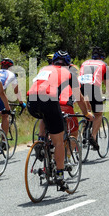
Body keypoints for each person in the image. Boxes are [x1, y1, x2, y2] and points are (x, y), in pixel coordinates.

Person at [27, 50, 94, 191]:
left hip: (32, 101)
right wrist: (86, 113)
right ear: (68, 64)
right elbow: (79, 97)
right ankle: (59, 175)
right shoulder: (69, 73)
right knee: (58, 142)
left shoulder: (44, 69)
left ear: (53, 62)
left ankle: (41, 140)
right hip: (50, 100)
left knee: (44, 116)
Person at [78, 46, 109, 150]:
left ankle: (84, 133)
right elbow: (108, 85)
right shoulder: (103, 64)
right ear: (102, 57)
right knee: (98, 114)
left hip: (80, 87)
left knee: (87, 111)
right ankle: (93, 136)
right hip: (93, 87)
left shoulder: (84, 63)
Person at [0, 58, 25, 136]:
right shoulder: (11, 74)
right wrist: (21, 103)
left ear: (1, 66)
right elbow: (16, 91)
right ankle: (4, 140)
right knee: (5, 114)